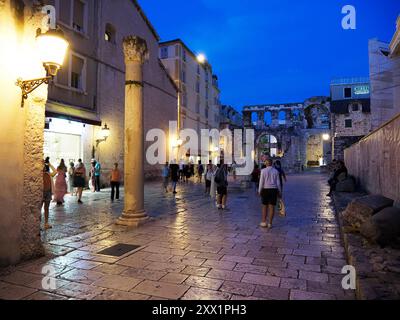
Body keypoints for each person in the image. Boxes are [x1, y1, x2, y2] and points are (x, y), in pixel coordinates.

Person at [258, 159, 282, 229]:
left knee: (264, 206)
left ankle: (263, 222)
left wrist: (259, 191)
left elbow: (261, 182)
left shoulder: (263, 171)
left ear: (266, 163)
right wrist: (280, 192)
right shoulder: (276, 171)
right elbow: (278, 183)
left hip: (265, 190)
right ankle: (270, 223)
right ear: (271, 164)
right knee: (272, 207)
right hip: (273, 190)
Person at [41, 160, 56, 230]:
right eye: (42, 165)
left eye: (44, 165)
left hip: (48, 192)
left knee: (46, 208)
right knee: (39, 209)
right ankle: (37, 224)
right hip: (41, 193)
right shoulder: (39, 174)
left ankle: (46, 223)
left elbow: (55, 171)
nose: (43, 167)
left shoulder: (48, 174)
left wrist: (49, 164)